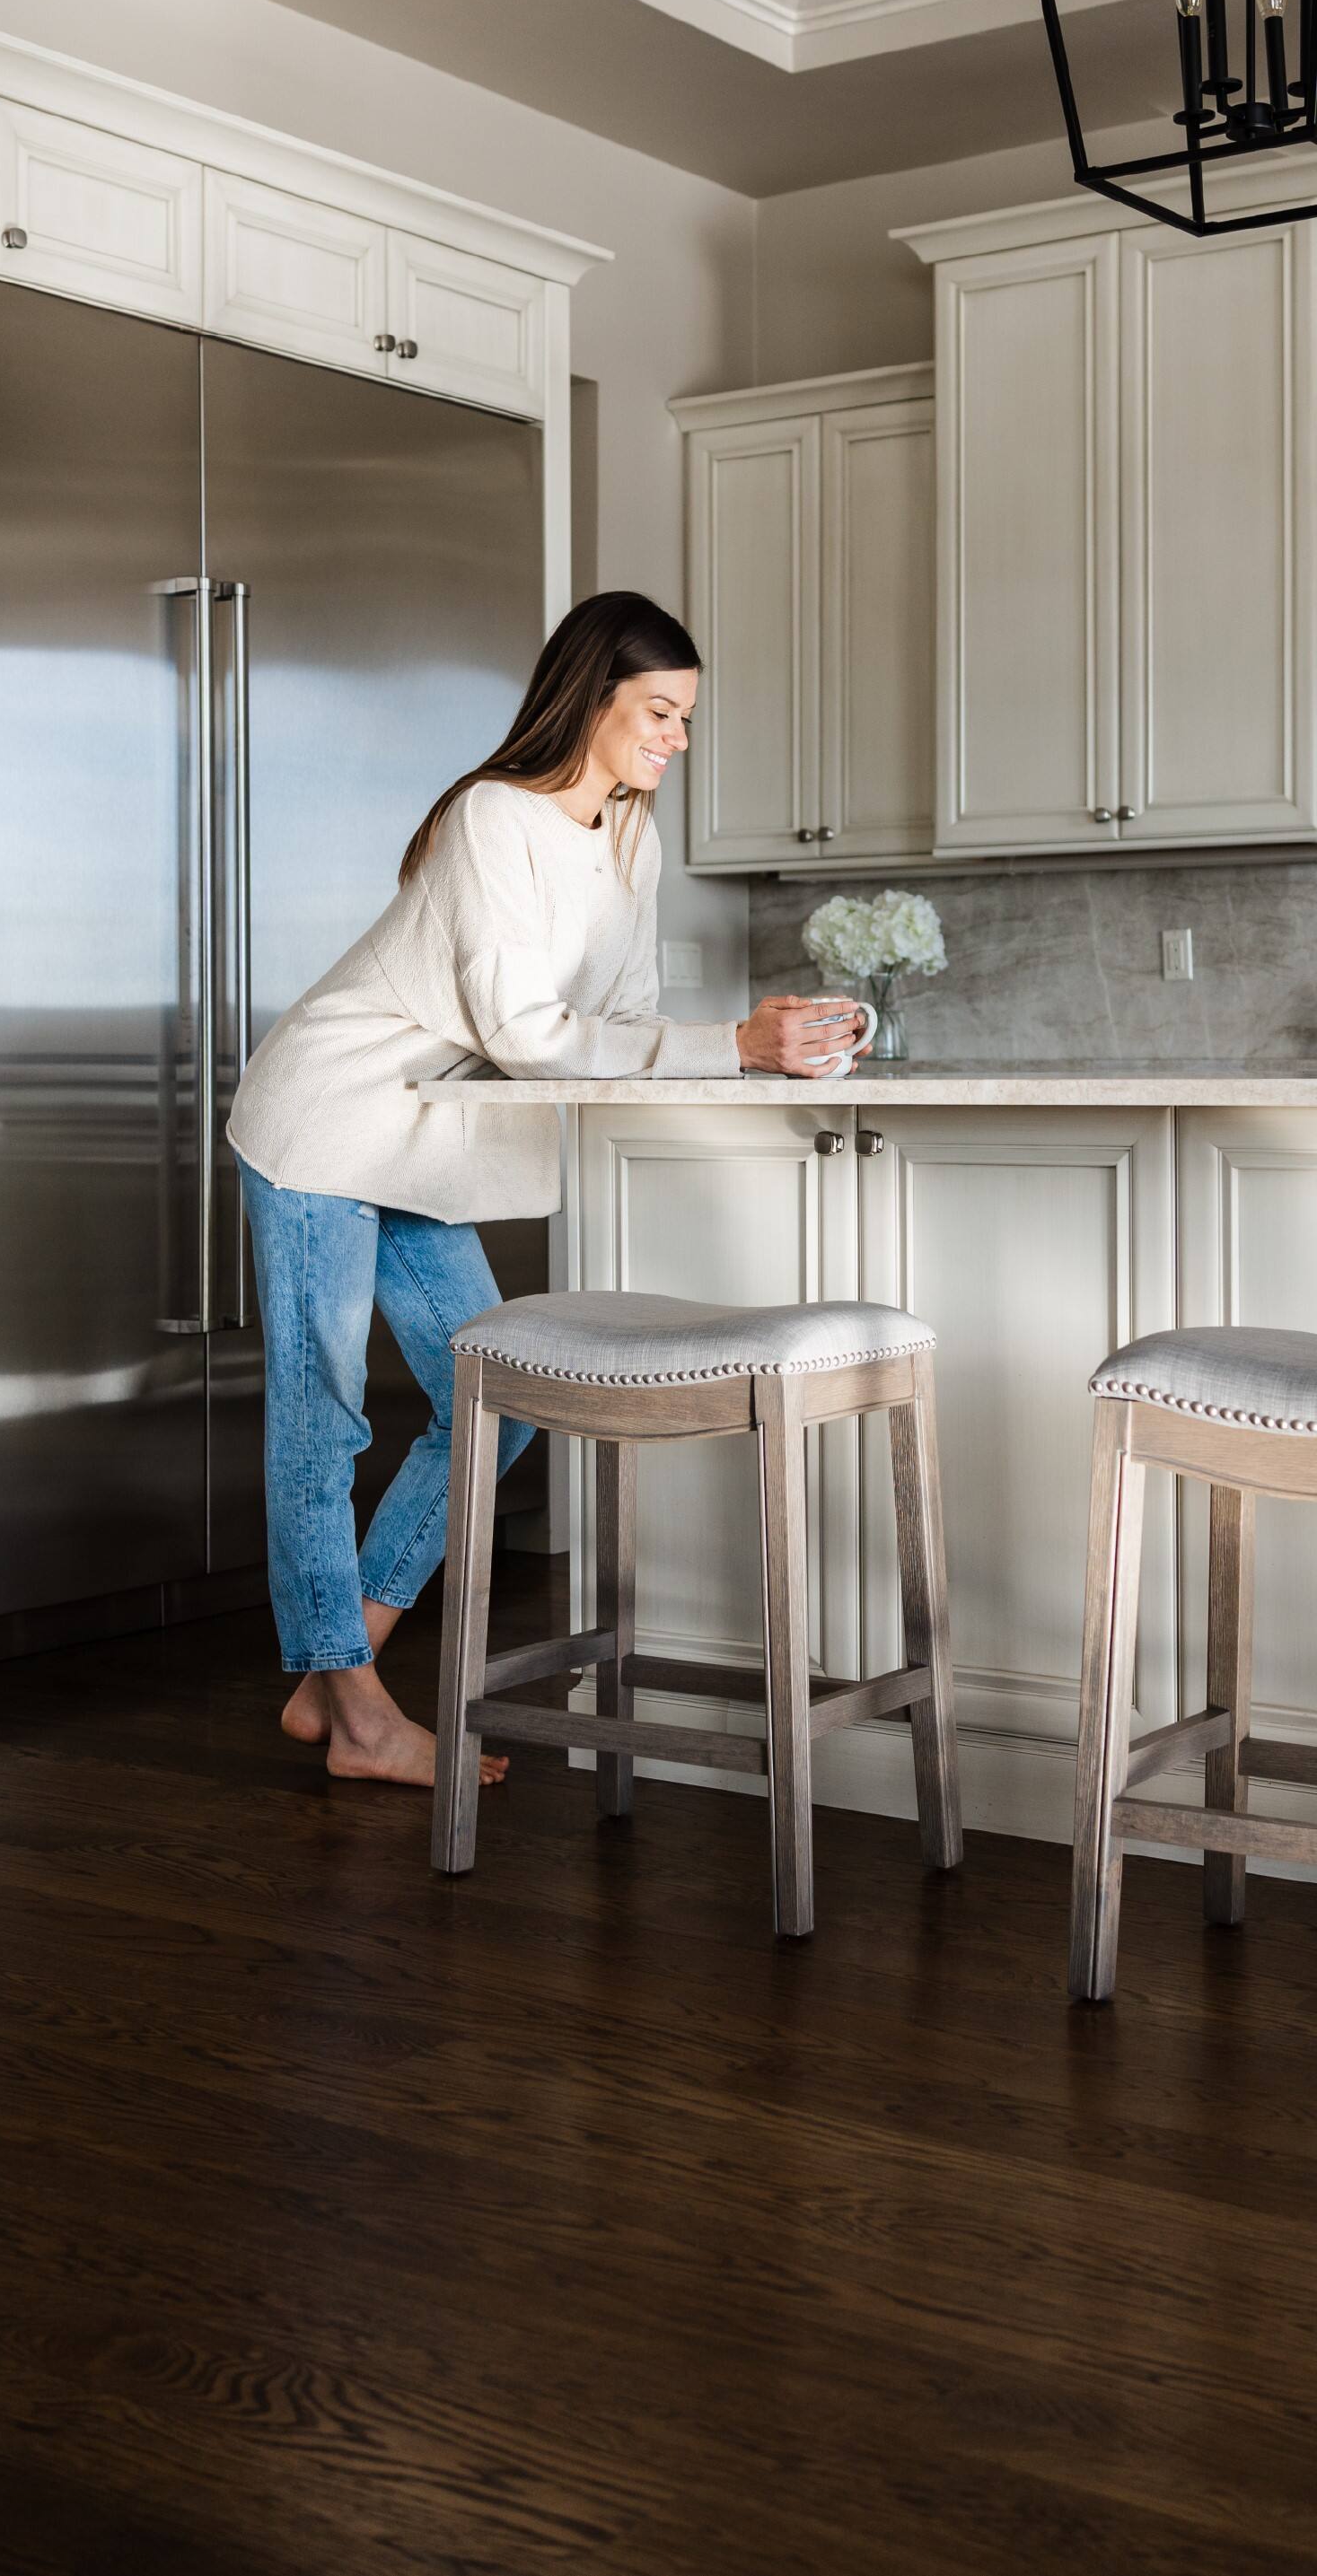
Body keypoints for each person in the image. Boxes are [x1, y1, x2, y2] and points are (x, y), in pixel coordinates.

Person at [226, 590, 870, 1791]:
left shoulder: (633, 837)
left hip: (425, 1142)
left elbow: (616, 1023)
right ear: (592, 700)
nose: (678, 737)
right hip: (326, 1121)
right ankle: (361, 1718)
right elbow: (530, 1031)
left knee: (500, 1399)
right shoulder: (492, 819)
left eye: (686, 716)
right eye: (660, 710)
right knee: (322, 1422)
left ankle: (335, 1670)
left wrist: (765, 1045)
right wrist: (730, 1040)